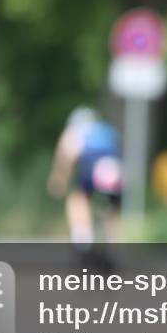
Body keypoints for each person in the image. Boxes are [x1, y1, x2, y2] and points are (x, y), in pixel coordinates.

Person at [47, 107, 124, 265]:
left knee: (78, 198)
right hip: (114, 168)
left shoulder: (74, 131)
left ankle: (83, 239)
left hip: (91, 166)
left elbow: (67, 155)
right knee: (113, 211)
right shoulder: (106, 130)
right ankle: (114, 246)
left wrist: (59, 178)